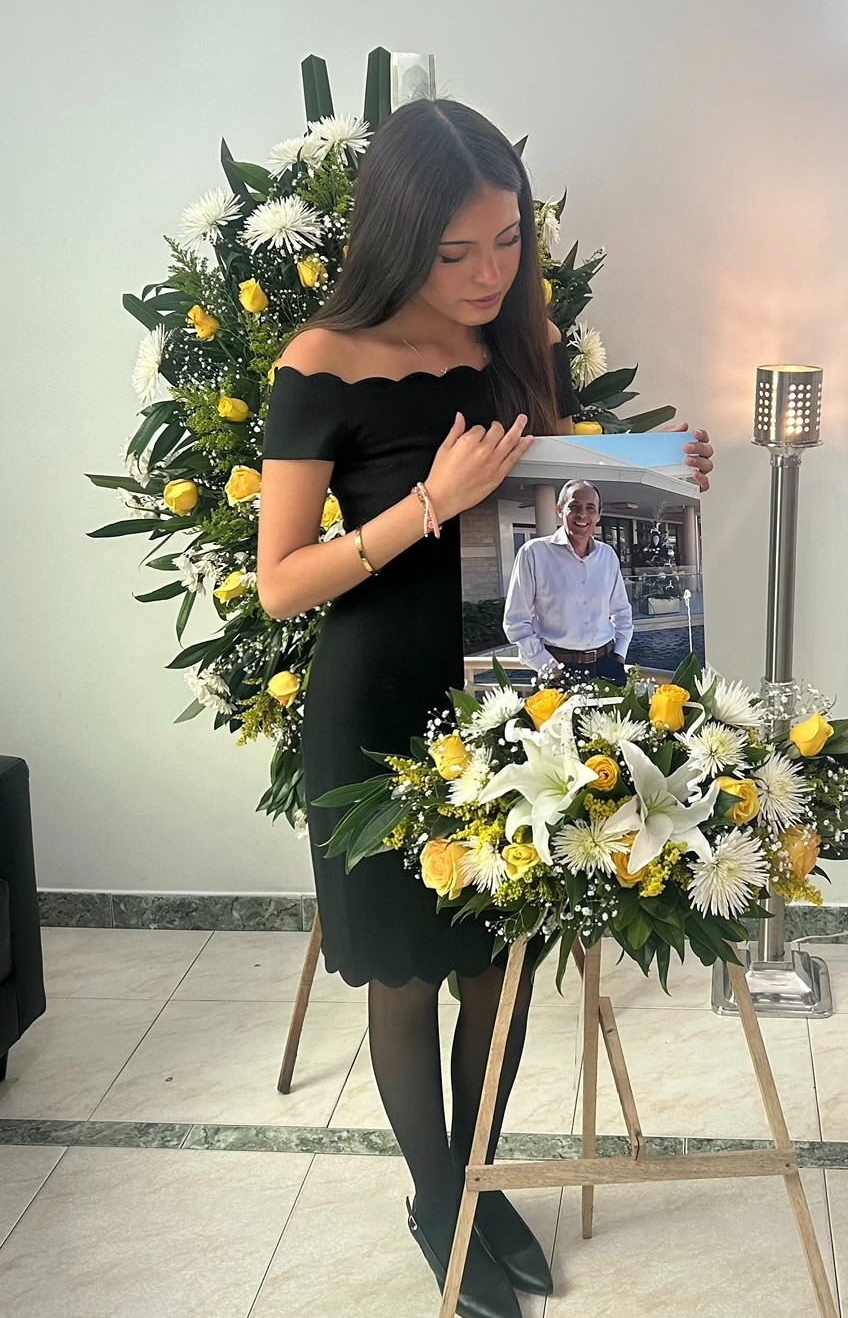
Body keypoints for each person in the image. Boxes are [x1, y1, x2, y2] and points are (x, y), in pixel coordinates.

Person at [256, 97, 713, 1318]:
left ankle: (478, 1183)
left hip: (501, 703)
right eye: (455, 251)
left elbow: (544, 495)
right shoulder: (322, 362)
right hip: (373, 705)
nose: (487, 272)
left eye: (506, 240)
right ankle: (437, 1199)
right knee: (406, 976)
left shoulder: (521, 333)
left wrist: (649, 482)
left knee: (495, 968)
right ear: (398, 239)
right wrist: (425, 504)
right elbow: (280, 583)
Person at [503, 479, 633, 686]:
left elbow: (622, 611)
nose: (582, 515)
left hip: (607, 665)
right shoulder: (533, 553)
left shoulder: (607, 555)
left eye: (590, 508)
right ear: (560, 509)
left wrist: (619, 655)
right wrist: (550, 668)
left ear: (598, 515)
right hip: (557, 669)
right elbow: (516, 622)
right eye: (574, 506)